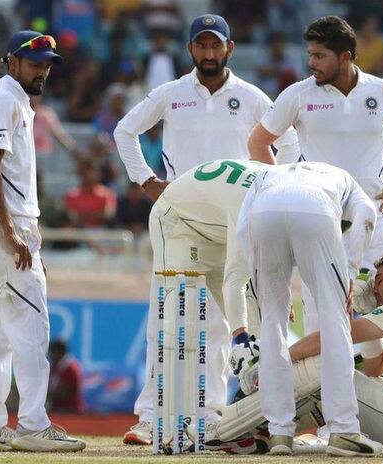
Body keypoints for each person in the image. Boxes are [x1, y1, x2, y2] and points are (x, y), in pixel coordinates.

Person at [113, 13, 300, 446]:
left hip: (235, 218)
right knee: (165, 312)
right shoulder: (172, 93)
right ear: (191, 49)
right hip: (180, 216)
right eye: (202, 45)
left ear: (230, 49)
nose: (210, 53)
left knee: (219, 320)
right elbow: (126, 130)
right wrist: (145, 180)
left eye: (217, 46)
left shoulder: (252, 97)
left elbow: (289, 143)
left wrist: (270, 187)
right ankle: (149, 416)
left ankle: (210, 414)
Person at [248, 15, 383, 360]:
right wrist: (281, 189)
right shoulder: (298, 95)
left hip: (375, 221)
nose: (311, 63)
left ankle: (379, 391)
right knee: (325, 324)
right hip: (321, 222)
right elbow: (259, 143)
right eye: (311, 54)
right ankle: (328, 403)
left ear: (346, 56)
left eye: (320, 56)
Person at [204, 253, 383, 457]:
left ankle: (222, 429)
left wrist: (276, 360)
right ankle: (259, 433)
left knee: (326, 363)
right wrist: (366, 311)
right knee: (340, 378)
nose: (375, 290)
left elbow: (332, 338)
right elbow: (375, 369)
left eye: (378, 281)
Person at [236, 161, 383, 457]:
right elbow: (367, 214)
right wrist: (352, 272)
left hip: (264, 213)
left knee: (272, 325)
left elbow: (242, 229)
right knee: (336, 321)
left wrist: (260, 282)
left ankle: (279, 432)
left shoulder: (268, 174)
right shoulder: (343, 175)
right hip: (316, 211)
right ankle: (343, 429)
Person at [0, 30, 85, 452]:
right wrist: (13, 234)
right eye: (35, 64)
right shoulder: (6, 98)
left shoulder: (18, 102)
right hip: (6, 229)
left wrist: (30, 236)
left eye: (48, 64)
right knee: (33, 326)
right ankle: (32, 423)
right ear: (11, 62)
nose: (43, 70)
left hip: (14, 227)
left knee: (0, 334)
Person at [148, 158, 268, 454]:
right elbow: (234, 283)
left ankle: (250, 423)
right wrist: (240, 338)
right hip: (177, 221)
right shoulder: (251, 205)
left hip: (216, 229)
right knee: (183, 328)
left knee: (261, 327)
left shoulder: (273, 194)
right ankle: (169, 429)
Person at [47, 340, 85, 413]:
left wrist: (42, 396)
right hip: (57, 410)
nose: (51, 355)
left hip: (70, 412)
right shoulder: (55, 366)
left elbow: (65, 394)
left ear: (59, 352)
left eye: (52, 352)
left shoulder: (71, 368)